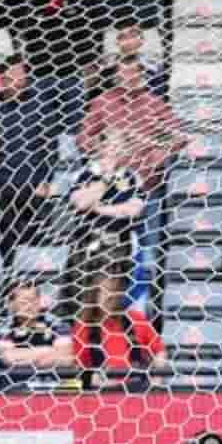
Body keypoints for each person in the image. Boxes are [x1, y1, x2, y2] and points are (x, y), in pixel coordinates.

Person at [67, 130, 160, 375]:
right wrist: (105, 182)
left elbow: (134, 210)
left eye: (122, 145)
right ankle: (89, 365)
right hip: (88, 251)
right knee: (89, 307)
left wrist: (99, 209)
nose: (118, 150)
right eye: (113, 144)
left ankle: (129, 360)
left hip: (123, 248)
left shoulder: (132, 177)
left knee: (121, 306)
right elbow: (80, 202)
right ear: (100, 147)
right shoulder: (84, 174)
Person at [0, 56, 62, 256]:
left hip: (35, 186)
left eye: (21, 74)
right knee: (6, 242)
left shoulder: (41, 106)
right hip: (3, 187)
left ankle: (32, 284)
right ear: (3, 77)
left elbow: (50, 147)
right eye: (13, 73)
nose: (18, 78)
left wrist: (47, 181)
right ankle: (8, 281)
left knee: (36, 244)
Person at [79, 54, 186, 192]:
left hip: (146, 181)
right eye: (124, 72)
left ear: (141, 74)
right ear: (116, 75)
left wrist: (158, 148)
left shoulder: (155, 102)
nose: (129, 77)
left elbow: (179, 135)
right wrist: (101, 149)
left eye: (133, 72)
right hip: (108, 180)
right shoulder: (102, 102)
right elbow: (83, 138)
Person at [0, 279, 73, 369]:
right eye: (24, 302)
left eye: (34, 301)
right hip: (17, 380)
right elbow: (9, 358)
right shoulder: (4, 328)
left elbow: (67, 358)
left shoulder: (57, 324)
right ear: (11, 304)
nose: (30, 306)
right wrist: (48, 351)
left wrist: (24, 355)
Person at [97, 24, 165, 96]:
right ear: (117, 42)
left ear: (142, 40)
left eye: (133, 36)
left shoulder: (153, 69)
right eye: (122, 37)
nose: (128, 41)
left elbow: (158, 95)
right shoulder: (107, 69)